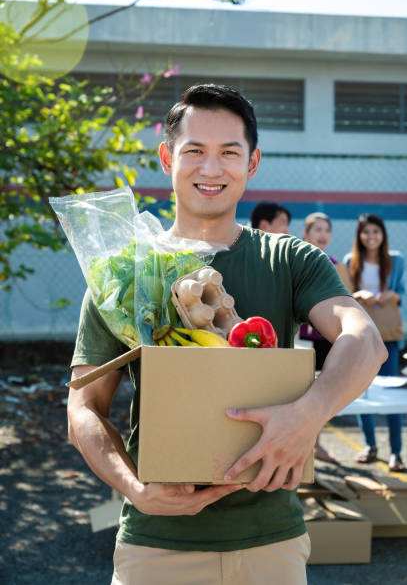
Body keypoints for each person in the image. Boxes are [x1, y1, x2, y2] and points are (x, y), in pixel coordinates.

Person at [68, 84, 387, 585]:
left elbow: (364, 340)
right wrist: (134, 488)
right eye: (194, 151)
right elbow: (83, 409)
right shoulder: (122, 276)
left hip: (271, 543)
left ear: (252, 163)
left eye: (229, 153)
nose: (211, 169)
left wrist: (310, 413)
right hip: (156, 545)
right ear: (166, 157)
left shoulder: (288, 258)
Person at [344, 213, 405, 472]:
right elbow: (345, 294)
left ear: (383, 234)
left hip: (388, 336)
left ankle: (396, 452)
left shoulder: (396, 259)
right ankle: (370, 445)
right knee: (363, 391)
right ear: (359, 236)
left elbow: (402, 291)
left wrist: (392, 294)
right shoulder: (350, 261)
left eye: (375, 232)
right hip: (361, 335)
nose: (371, 237)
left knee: (391, 390)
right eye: (366, 232)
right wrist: (360, 294)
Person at [299, 212, 339, 464]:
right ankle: (302, 445)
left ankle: (317, 443)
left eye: (326, 230)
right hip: (304, 339)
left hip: (326, 338)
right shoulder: (298, 261)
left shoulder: (334, 263)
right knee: (300, 390)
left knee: (324, 390)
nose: (322, 234)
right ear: (306, 234)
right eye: (317, 230)